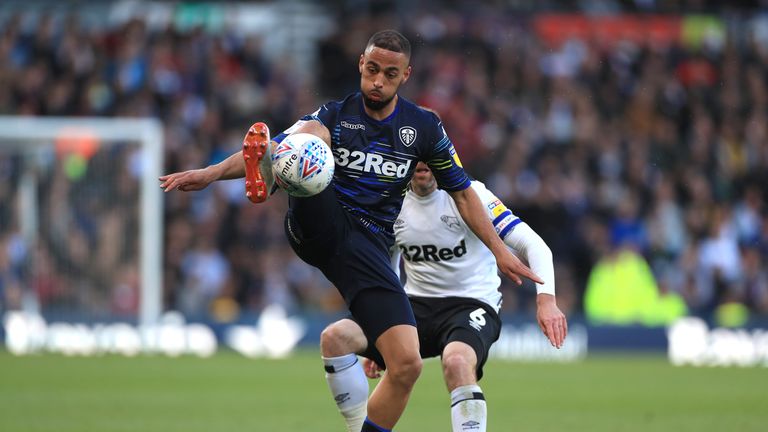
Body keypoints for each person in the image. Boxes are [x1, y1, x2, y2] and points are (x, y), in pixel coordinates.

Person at [159, 29, 542, 432]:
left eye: (389, 75)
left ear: (405, 75)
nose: (378, 81)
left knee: (407, 364)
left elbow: (463, 194)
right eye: (372, 70)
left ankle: (360, 428)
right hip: (322, 222)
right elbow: (278, 145)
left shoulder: (424, 128)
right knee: (307, 144)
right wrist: (209, 173)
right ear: (361, 64)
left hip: (369, 251)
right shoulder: (336, 114)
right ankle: (274, 171)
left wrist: (500, 250)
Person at [319, 162, 567, 432]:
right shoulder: (391, 199)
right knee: (335, 338)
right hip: (413, 305)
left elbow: (534, 245)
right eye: (416, 154)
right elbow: (388, 260)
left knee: (457, 362)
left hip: (471, 304)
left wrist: (546, 301)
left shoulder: (472, 195)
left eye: (429, 154)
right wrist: (382, 323)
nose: (423, 162)